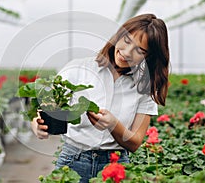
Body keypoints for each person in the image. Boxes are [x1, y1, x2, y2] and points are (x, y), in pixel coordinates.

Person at [31, 13, 170, 182]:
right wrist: (37, 124)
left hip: (115, 165)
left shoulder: (144, 88)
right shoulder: (80, 68)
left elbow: (135, 143)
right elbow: (46, 106)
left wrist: (113, 125)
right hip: (72, 161)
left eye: (139, 50)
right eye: (126, 41)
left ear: (149, 57)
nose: (126, 52)